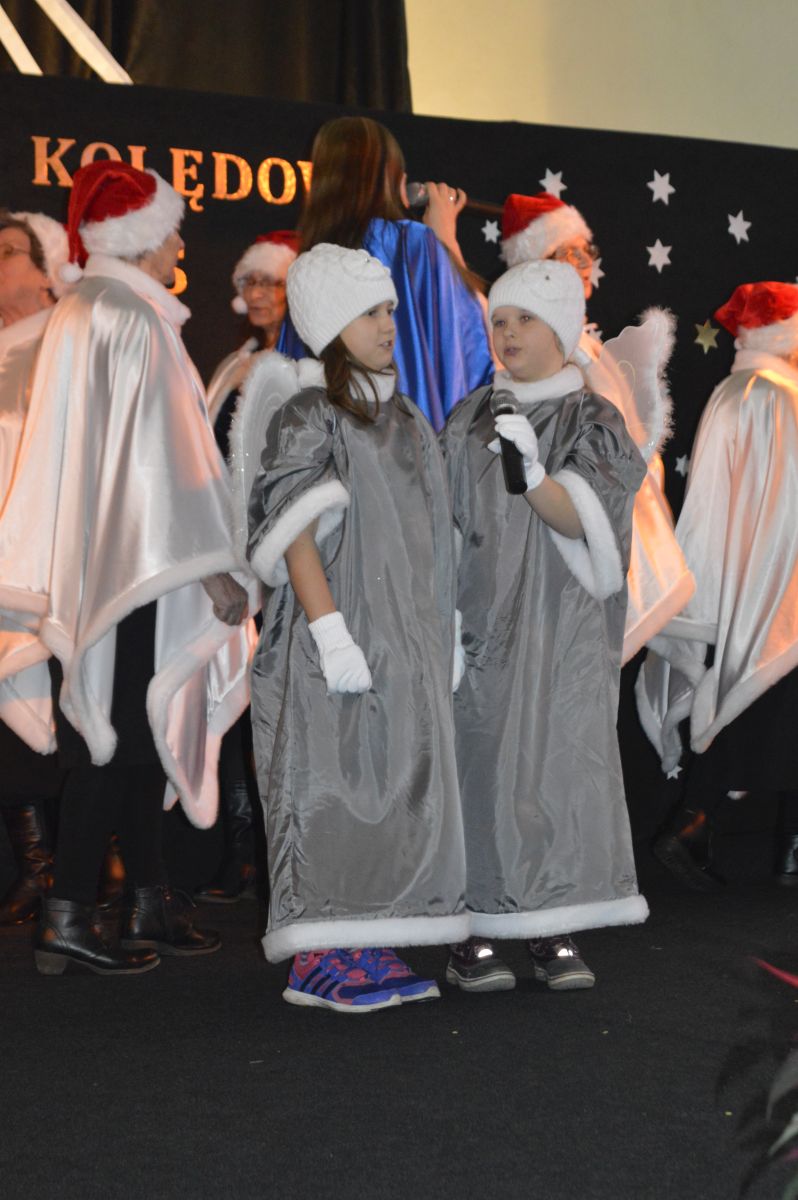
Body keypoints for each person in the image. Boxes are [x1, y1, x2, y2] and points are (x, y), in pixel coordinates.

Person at [0, 161, 252, 974]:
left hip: (108, 559)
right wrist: (214, 566)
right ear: (142, 238)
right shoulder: (130, 317)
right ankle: (68, 913)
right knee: (110, 739)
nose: (181, 245)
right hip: (136, 562)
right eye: (173, 231)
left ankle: (146, 901)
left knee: (134, 730)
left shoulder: (89, 310)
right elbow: (162, 457)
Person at [241, 242, 468, 1011]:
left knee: (388, 779)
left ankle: (365, 936)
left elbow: (434, 531)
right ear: (330, 322)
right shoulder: (312, 414)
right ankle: (319, 956)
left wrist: (445, 626)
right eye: (370, 312)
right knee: (327, 781)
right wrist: (330, 632)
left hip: (402, 633)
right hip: (330, 632)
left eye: (390, 309)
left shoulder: (405, 417)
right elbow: (294, 529)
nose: (388, 324)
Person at [440, 259, 648, 994]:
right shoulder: (468, 418)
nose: (508, 333)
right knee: (480, 766)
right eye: (499, 320)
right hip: (481, 629)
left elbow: (588, 522)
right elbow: (441, 522)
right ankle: (474, 929)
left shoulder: (594, 419)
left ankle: (550, 921)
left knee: (554, 767)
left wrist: (533, 475)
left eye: (525, 318)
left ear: (560, 329)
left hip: (563, 631)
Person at [636, 281, 798, 886]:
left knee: (752, 696)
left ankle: (699, 820)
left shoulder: (732, 393)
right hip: (783, 579)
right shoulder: (786, 398)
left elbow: (709, 504)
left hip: (741, 577)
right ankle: (764, 840)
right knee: (771, 698)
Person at [500, 192, 694, 664]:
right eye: (568, 253)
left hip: (617, 514)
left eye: (586, 250)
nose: (585, 263)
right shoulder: (542, 353)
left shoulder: (587, 346)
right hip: (569, 528)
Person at [190, 230, 298, 905]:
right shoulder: (237, 363)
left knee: (278, 711)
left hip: (284, 557)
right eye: (250, 281)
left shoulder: (302, 366)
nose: (257, 293)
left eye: (271, 282)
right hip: (232, 554)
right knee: (233, 706)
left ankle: (274, 858)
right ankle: (240, 856)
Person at [278, 115, 493, 430]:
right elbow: (466, 344)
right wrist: (445, 238)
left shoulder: (310, 265)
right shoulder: (414, 244)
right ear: (395, 181)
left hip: (331, 441)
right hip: (408, 439)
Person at [0, 210, 67, 924]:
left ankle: (95, 855)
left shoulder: (67, 339)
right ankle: (36, 862)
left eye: (8, 252)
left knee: (70, 695)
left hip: (56, 558)